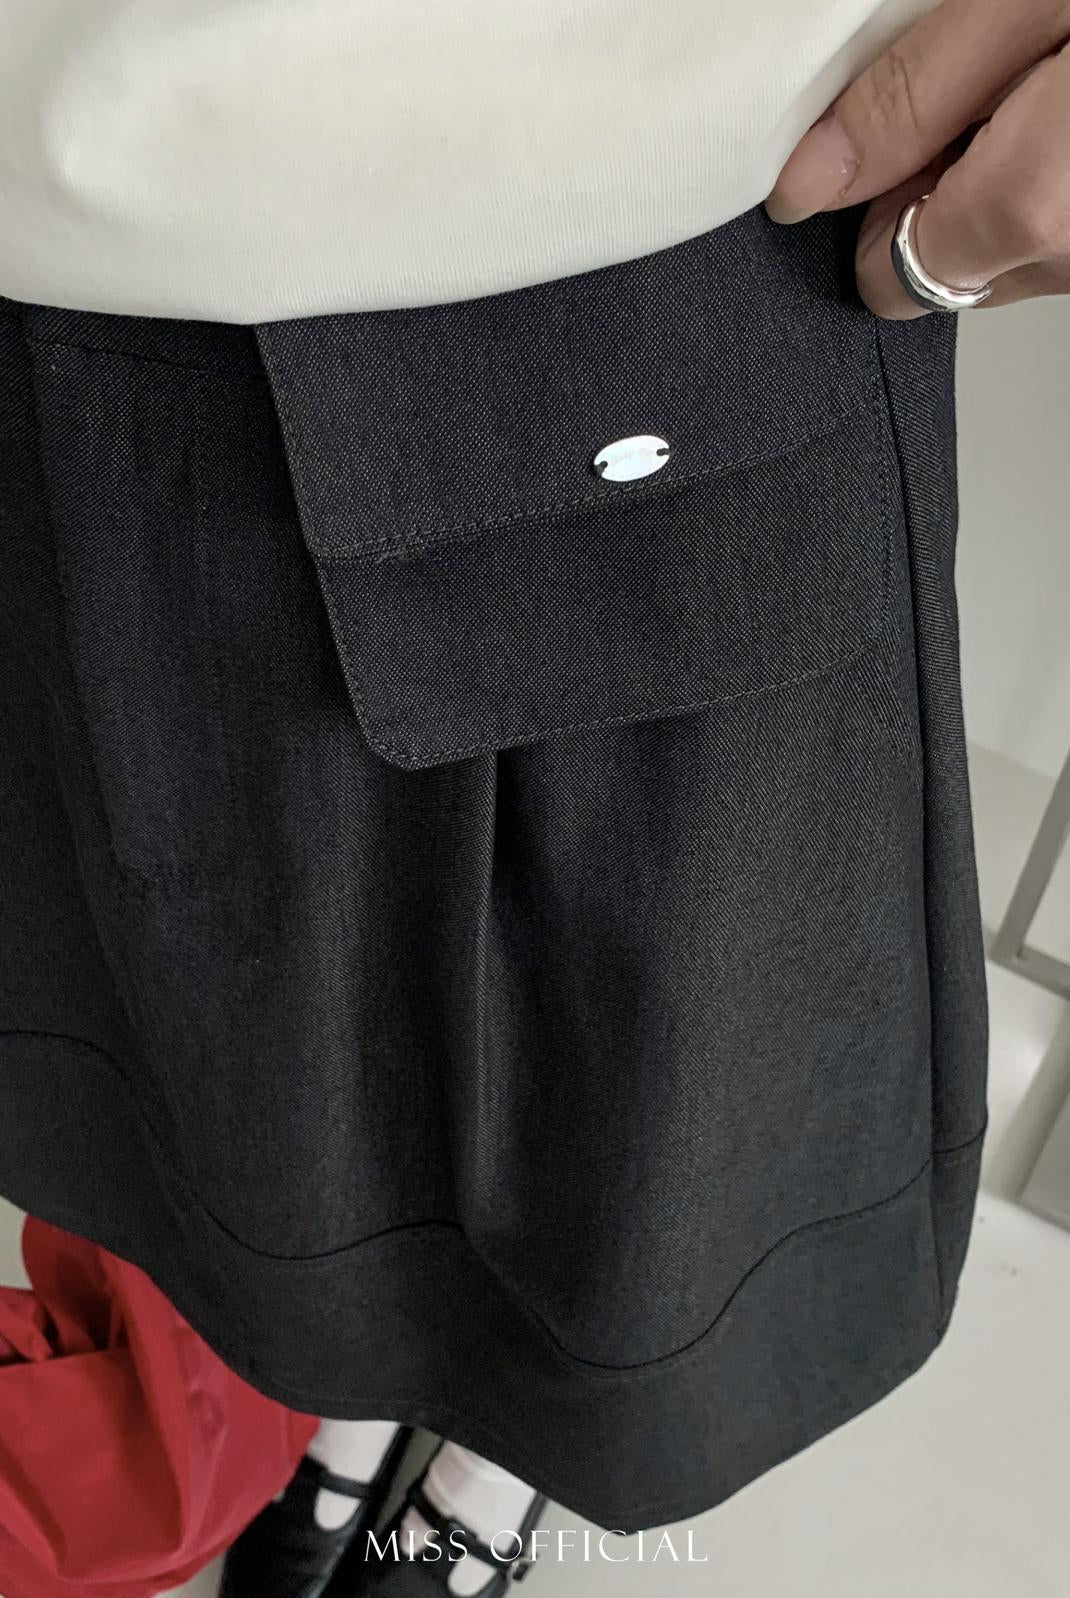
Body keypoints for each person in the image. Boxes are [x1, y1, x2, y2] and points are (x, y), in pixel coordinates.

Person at [0, 2, 1067, 1595]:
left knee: (652, 1107)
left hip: (690, 194)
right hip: (96, 219)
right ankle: (356, 1399)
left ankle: (490, 1479)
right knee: (278, 1082)